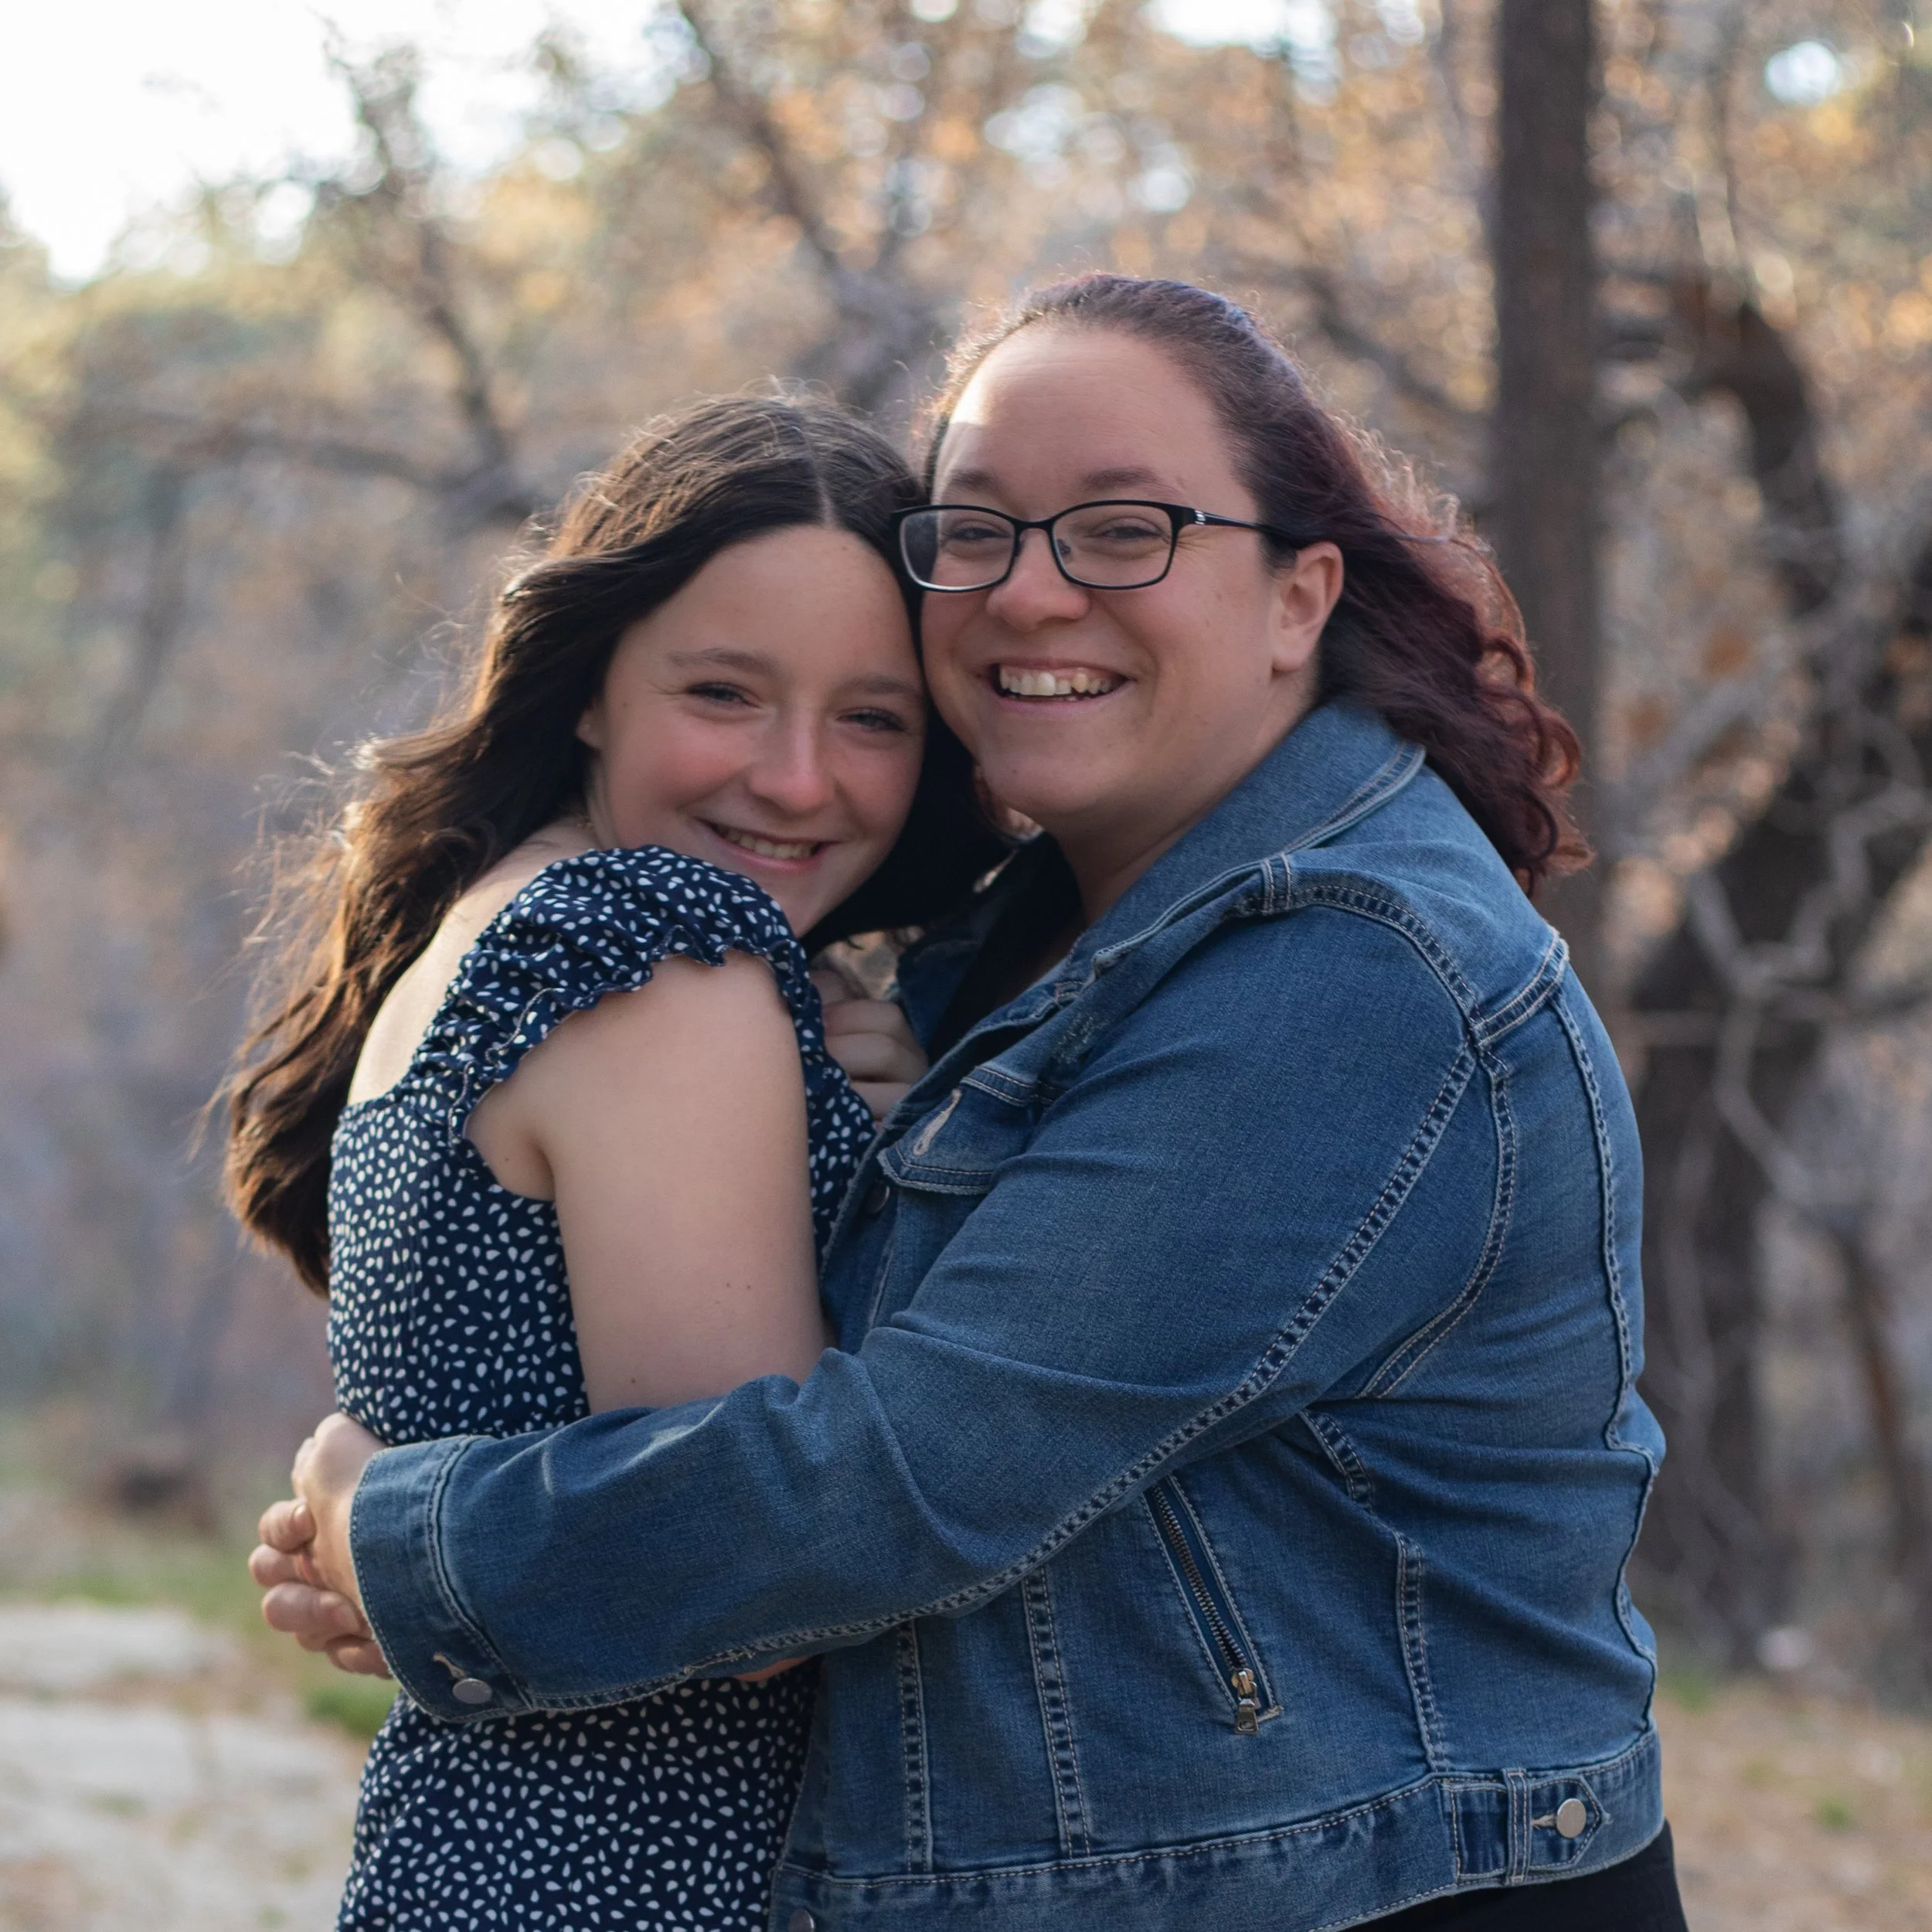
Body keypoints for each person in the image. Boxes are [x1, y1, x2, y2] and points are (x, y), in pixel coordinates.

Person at [255, 277, 1690, 1930]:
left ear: (1299, 596)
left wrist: (404, 1532)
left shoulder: (1343, 961)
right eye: (978, 529)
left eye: (1119, 529)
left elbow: (902, 1481)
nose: (1029, 590)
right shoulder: (1017, 939)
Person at [224, 393, 1003, 1930]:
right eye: (723, 691)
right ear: (588, 685)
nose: (795, 779)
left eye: (871, 717)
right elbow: (752, 1573)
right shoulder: (653, 941)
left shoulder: (507, 928)